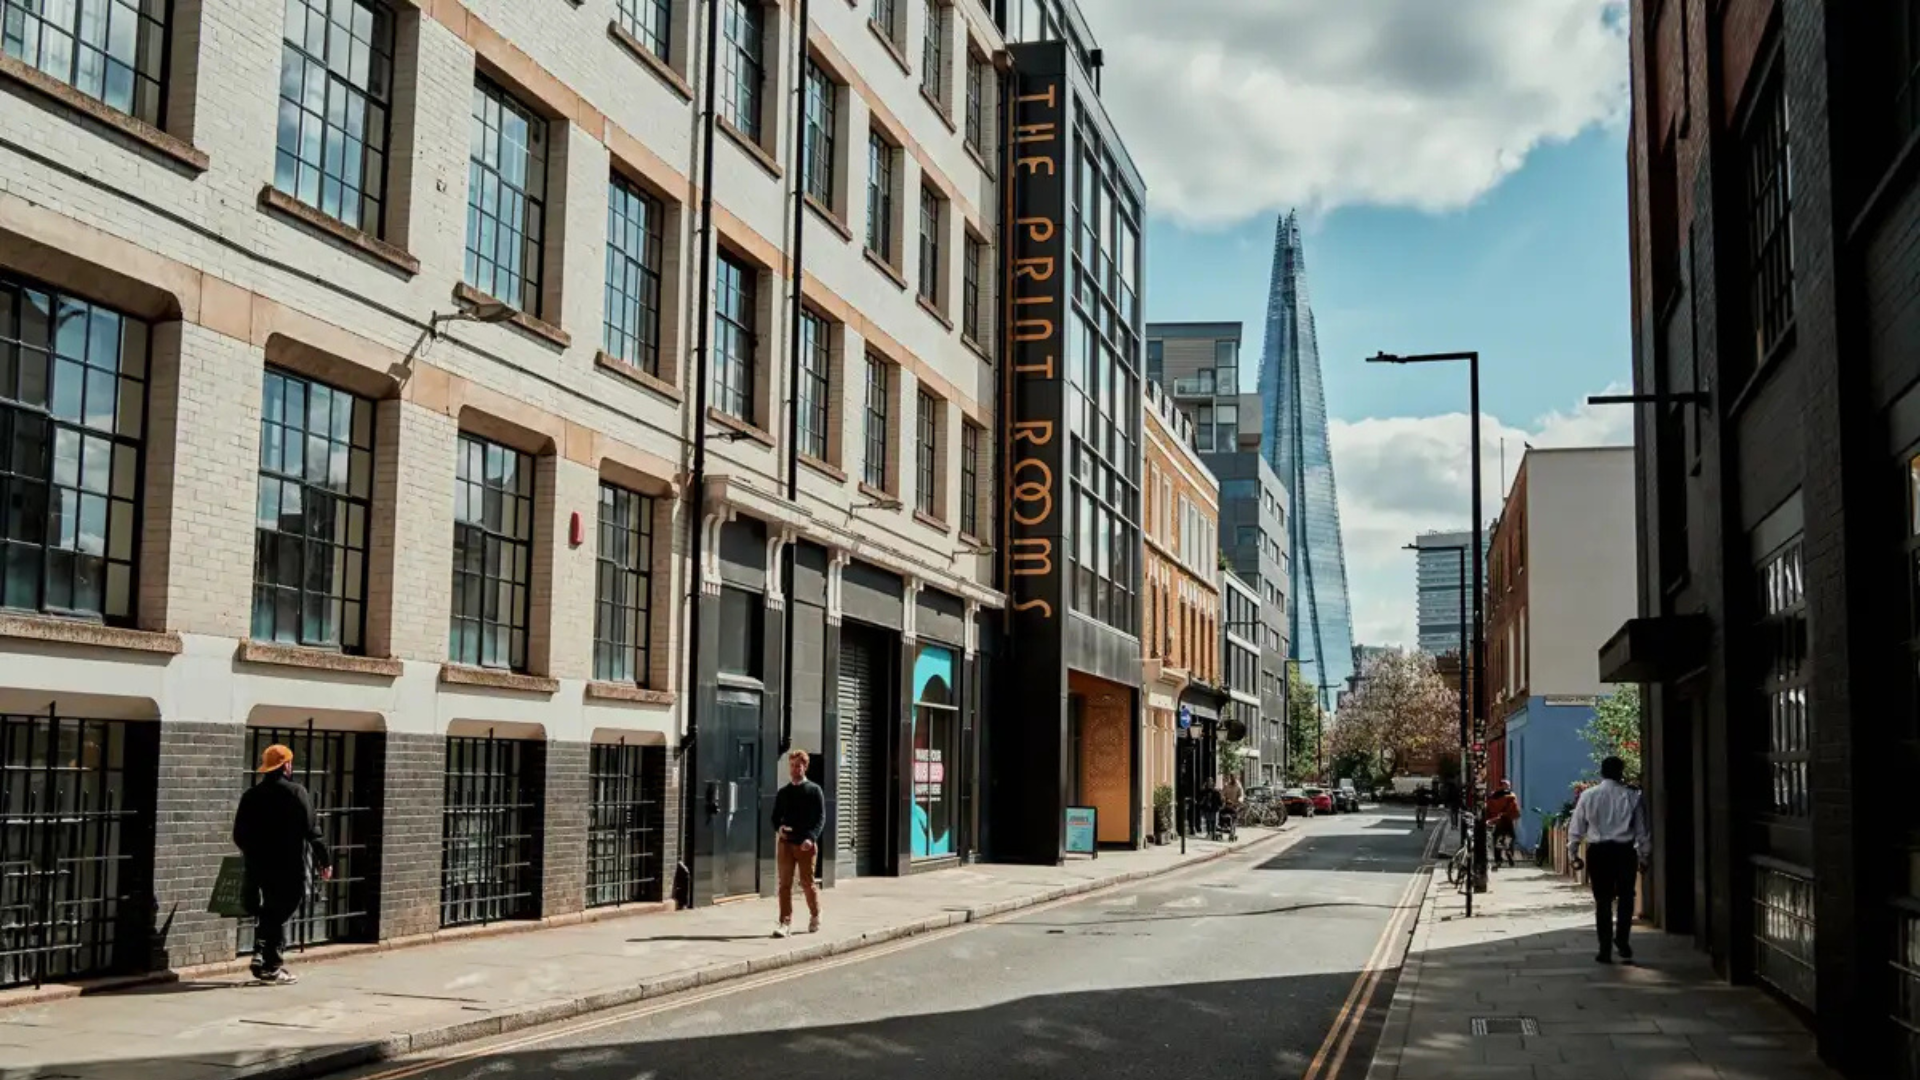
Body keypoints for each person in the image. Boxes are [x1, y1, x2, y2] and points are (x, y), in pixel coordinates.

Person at [231, 744, 331, 984]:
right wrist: (324, 861)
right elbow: (312, 831)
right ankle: (272, 965)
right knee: (280, 911)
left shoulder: (251, 796)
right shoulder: (297, 793)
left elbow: (239, 834)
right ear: (286, 765)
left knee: (270, 910)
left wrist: (253, 853)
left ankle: (262, 954)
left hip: (258, 866)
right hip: (288, 866)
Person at [1568, 756, 1651, 964]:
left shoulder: (1588, 796)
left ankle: (1604, 948)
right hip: (1624, 852)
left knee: (1603, 900)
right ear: (1621, 773)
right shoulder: (1633, 797)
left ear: (1602, 772)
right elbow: (1642, 831)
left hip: (1599, 852)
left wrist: (1573, 853)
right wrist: (1644, 856)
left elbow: (1576, 827)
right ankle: (1622, 939)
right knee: (1626, 898)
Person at [771, 748, 824, 938]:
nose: (795, 769)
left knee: (806, 883)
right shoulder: (783, 792)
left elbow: (820, 818)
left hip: (805, 845)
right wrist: (780, 829)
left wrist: (811, 838)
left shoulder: (814, 790)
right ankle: (785, 922)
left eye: (798, 766)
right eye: (792, 765)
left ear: (805, 767)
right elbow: (775, 817)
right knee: (784, 884)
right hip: (785, 844)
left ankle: (815, 914)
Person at [1486, 780, 1521, 868]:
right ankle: (1508, 852)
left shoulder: (1492, 797)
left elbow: (1489, 808)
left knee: (1497, 839)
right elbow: (1515, 810)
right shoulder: (1511, 797)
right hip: (1507, 820)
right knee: (1510, 837)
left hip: (1498, 821)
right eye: (1507, 785)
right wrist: (1514, 816)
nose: (1508, 787)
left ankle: (1498, 860)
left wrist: (1490, 818)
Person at [1220, 774, 1244, 840]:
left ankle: (1232, 832)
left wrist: (1240, 800)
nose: (1232, 779)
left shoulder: (1238, 786)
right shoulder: (1227, 785)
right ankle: (1223, 826)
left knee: (1234, 817)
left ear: (1236, 778)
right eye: (1231, 777)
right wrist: (1223, 798)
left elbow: (1241, 795)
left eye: (1234, 777)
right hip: (1227, 804)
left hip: (1234, 805)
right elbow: (1222, 793)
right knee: (1222, 813)